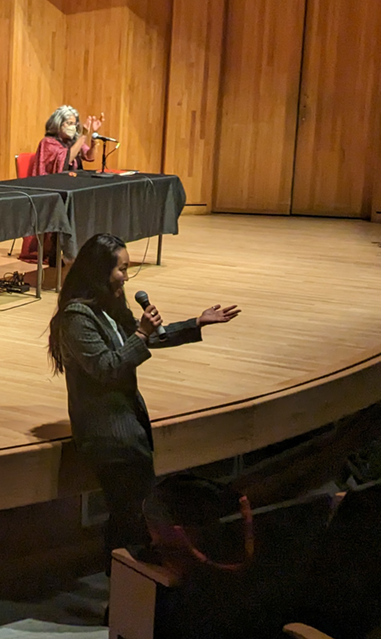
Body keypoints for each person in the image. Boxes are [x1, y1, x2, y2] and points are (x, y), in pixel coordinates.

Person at [47, 233, 239, 561]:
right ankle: (123, 583)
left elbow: (145, 340)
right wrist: (140, 333)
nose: (126, 275)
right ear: (99, 270)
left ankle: (125, 583)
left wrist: (196, 323)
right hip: (107, 435)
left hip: (127, 429)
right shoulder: (76, 317)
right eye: (121, 268)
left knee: (133, 515)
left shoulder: (108, 305)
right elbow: (107, 367)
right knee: (131, 518)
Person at [21, 105, 105, 264]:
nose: (72, 127)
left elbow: (89, 156)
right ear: (57, 124)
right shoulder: (48, 142)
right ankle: (58, 250)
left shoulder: (72, 141)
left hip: (71, 187)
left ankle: (78, 248)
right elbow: (64, 160)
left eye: (75, 123)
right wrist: (83, 136)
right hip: (51, 190)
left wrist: (93, 139)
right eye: (68, 123)